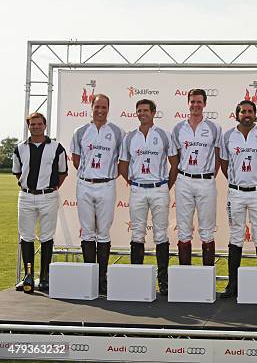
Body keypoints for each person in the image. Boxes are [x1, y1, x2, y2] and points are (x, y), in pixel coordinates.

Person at [118, 99, 178, 295]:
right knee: (137, 233)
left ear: (153, 113)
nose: (142, 113)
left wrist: (165, 186)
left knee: (161, 234)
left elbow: (174, 164)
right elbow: (123, 165)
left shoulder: (164, 135)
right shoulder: (129, 137)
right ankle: (137, 279)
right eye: (139, 111)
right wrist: (134, 182)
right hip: (137, 189)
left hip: (159, 188)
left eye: (146, 110)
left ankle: (164, 281)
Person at [219, 100, 257, 298]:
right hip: (235, 193)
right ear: (237, 114)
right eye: (243, 111)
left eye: (250, 111)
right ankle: (232, 284)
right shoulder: (227, 136)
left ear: (255, 114)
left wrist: (256, 180)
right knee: (236, 236)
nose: (247, 114)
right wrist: (238, 182)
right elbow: (224, 164)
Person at [70, 94, 123, 294]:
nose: (100, 110)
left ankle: (102, 278)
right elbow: (76, 159)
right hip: (84, 184)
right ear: (91, 107)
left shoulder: (118, 132)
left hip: (107, 185)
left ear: (108, 108)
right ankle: (88, 275)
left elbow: (122, 158)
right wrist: (90, 175)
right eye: (97, 106)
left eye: (104, 107)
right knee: (87, 231)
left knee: (103, 232)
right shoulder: (80, 131)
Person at [12, 112, 68, 292]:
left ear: (45, 126)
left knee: (46, 236)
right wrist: (30, 187)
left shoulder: (57, 147)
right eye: (32, 124)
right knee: (26, 235)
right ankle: (28, 275)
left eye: (39, 124)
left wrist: (49, 188)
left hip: (48, 196)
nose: (36, 127)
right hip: (26, 196)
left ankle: (44, 277)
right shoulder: (19, 148)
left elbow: (62, 173)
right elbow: (18, 173)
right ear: (28, 126)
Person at [171, 89, 222, 266]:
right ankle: (185, 274)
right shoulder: (178, 128)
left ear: (205, 104)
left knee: (207, 231)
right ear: (188, 103)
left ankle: (207, 276)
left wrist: (208, 176)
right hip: (184, 180)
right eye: (192, 101)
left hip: (206, 181)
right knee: (184, 230)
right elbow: (176, 156)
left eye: (199, 102)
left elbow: (218, 156)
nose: (195, 105)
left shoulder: (214, 128)